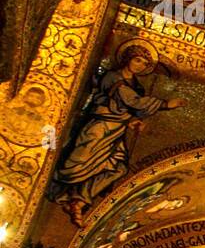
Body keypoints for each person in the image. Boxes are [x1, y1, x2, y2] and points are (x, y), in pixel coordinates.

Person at [50, 42, 183, 227]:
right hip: (100, 126)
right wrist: (165, 104)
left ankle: (79, 201)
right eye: (137, 60)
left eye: (144, 64)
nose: (140, 66)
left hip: (116, 130)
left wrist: (131, 119)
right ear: (128, 59)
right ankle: (59, 190)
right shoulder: (113, 77)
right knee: (77, 164)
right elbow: (130, 100)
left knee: (118, 168)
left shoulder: (136, 85)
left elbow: (128, 107)